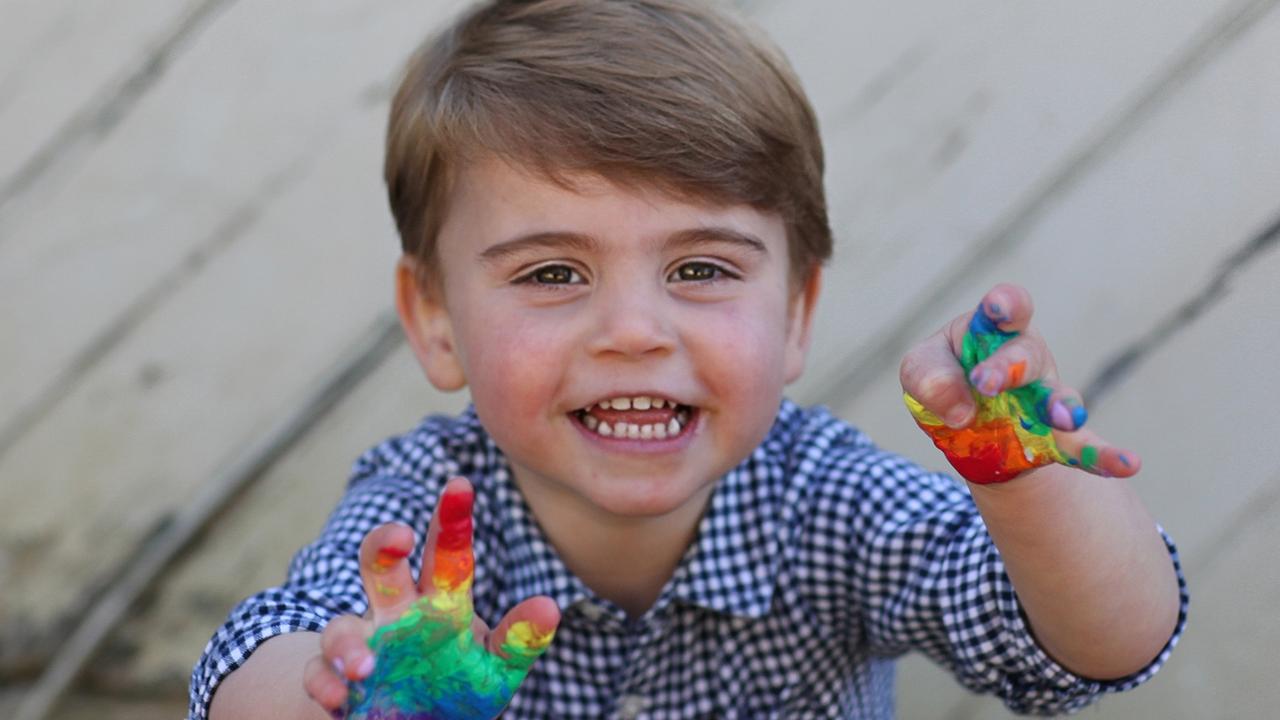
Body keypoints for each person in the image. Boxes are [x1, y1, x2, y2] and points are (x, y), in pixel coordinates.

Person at [190, 1, 1186, 717]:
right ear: (436, 319)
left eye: (700, 267)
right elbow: (258, 655)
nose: (634, 330)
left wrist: (1024, 490)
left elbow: (1093, 651)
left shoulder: (825, 500)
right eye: (549, 274)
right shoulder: (426, 512)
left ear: (794, 314)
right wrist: (350, 698)